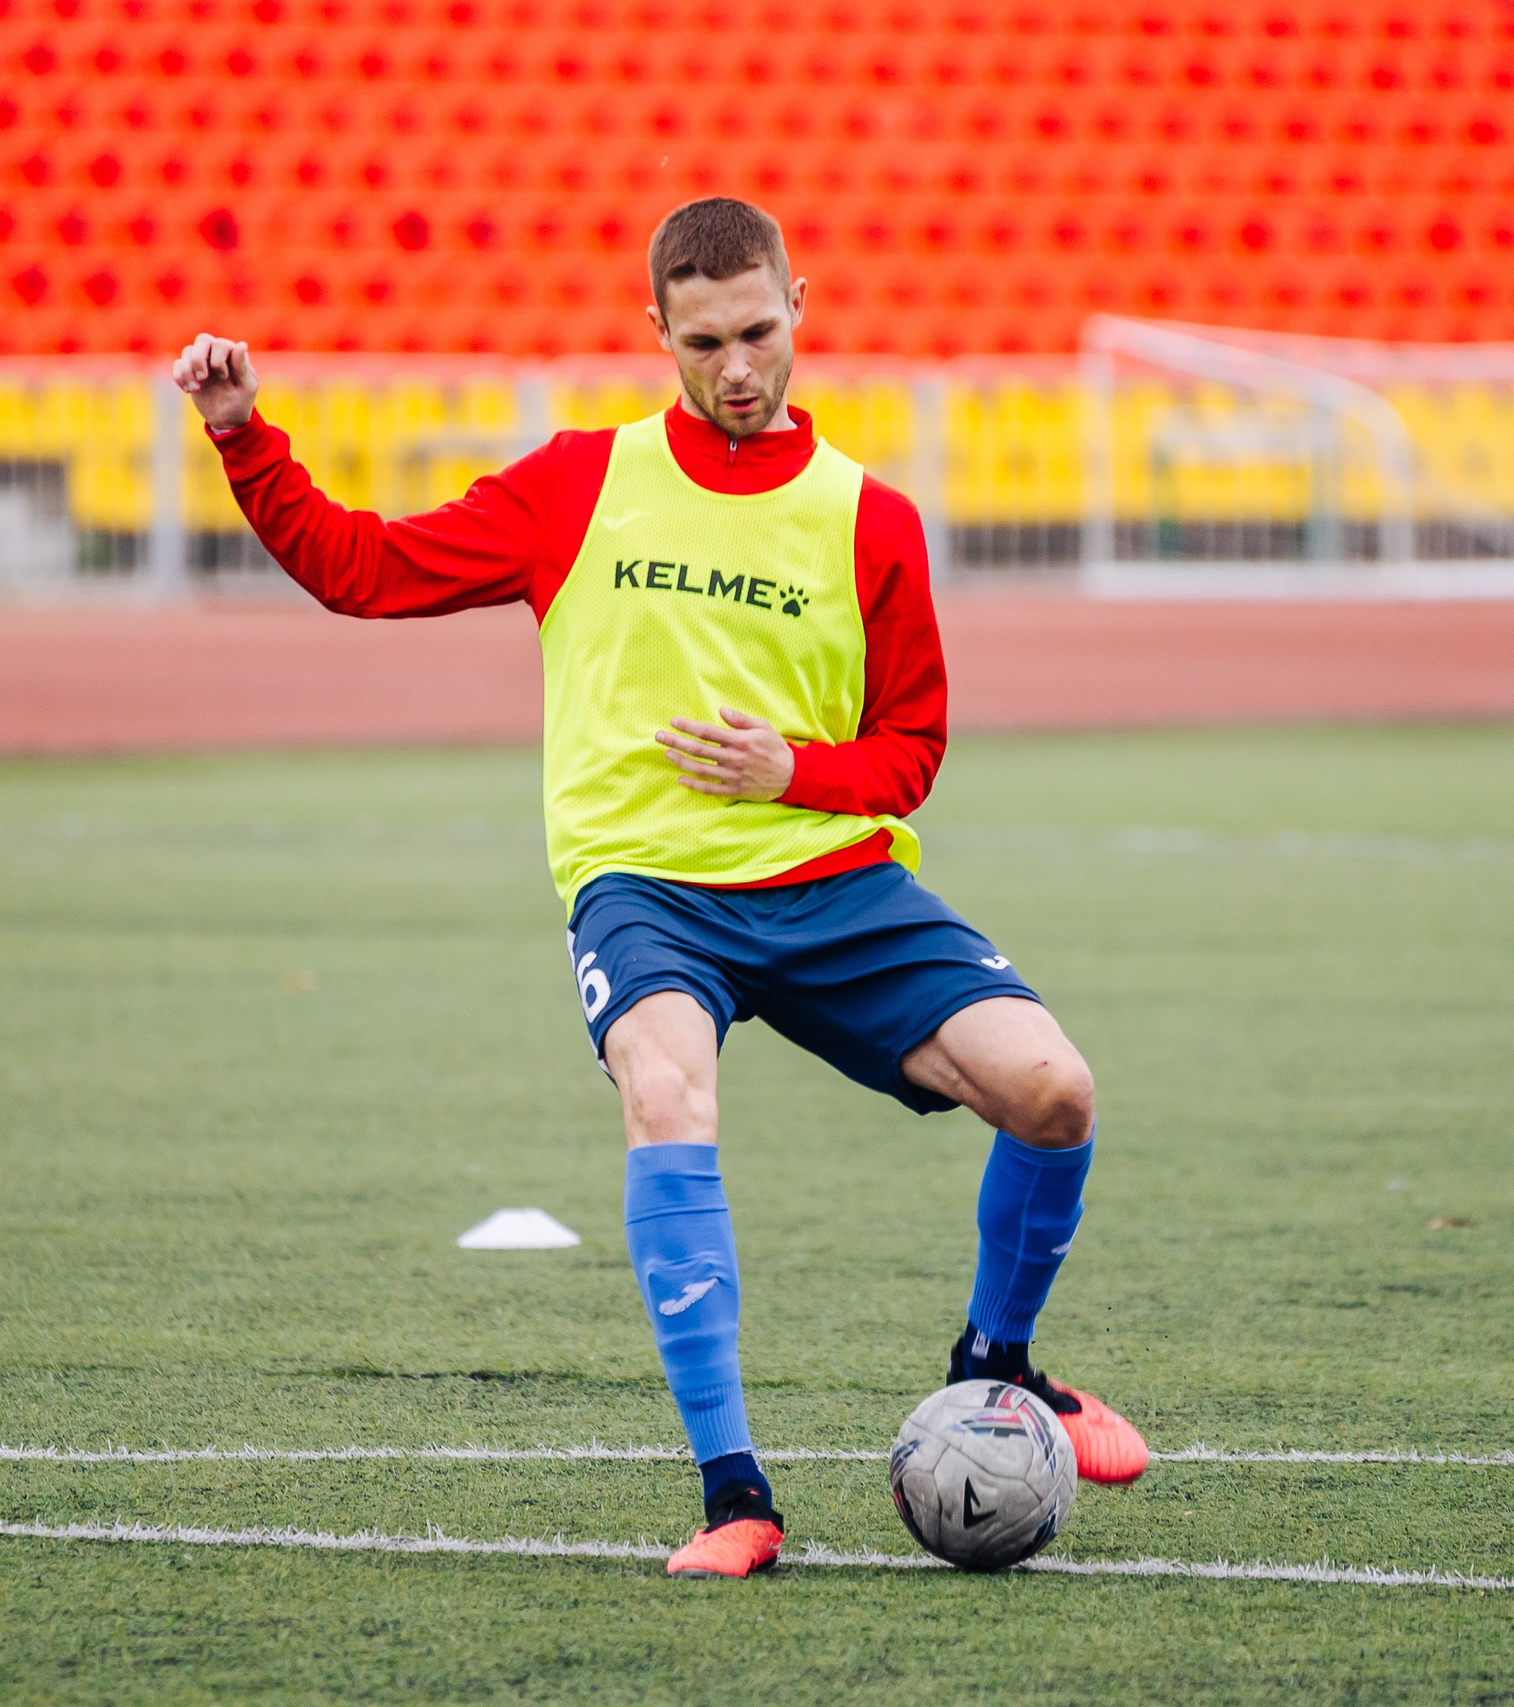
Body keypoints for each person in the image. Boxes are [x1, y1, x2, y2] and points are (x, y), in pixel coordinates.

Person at [174, 196, 1147, 1580]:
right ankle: (734, 1491)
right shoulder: (577, 485)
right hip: (649, 893)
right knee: (665, 1091)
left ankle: (1000, 1367)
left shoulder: (872, 520)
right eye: (704, 343)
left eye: (758, 333)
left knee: (1057, 1091)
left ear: (800, 307)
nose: (736, 369)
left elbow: (910, 755)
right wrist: (242, 438)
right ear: (659, 336)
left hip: (835, 888)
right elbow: (359, 570)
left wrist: (790, 769)